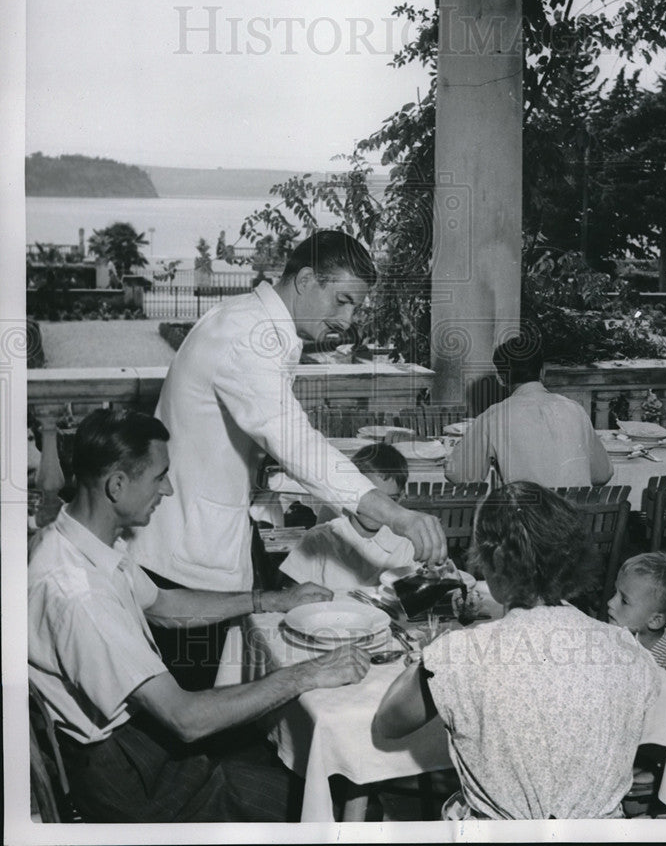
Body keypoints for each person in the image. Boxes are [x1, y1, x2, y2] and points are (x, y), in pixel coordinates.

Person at [127, 230, 446, 685]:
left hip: (199, 540)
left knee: (225, 683)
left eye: (355, 305)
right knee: (191, 712)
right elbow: (296, 442)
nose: (348, 319)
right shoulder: (251, 337)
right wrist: (395, 514)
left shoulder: (248, 320)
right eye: (342, 300)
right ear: (306, 279)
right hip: (184, 556)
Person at [28, 408, 370, 823]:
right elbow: (185, 719)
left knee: (287, 756)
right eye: (160, 476)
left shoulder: (76, 540)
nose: (168, 489)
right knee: (328, 804)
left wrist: (269, 600)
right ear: (117, 485)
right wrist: (308, 674)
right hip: (131, 776)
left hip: (135, 745)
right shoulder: (79, 594)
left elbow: (166, 606)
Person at [373, 482, 665, 820]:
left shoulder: (459, 655)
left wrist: (432, 656)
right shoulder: (630, 651)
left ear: (494, 561)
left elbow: (388, 723)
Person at [446, 331, 612, 488]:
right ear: (542, 372)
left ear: (500, 378)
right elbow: (602, 475)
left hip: (527, 516)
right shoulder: (576, 410)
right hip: (577, 515)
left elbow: (460, 476)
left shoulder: (496, 415)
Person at [279, 443, 418, 590]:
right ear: (348, 490)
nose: (377, 511)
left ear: (401, 497)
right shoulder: (317, 540)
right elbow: (292, 594)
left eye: (391, 499)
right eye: (369, 499)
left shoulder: (407, 545)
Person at [607, 552, 666, 705]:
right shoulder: (617, 634)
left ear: (655, 620)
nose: (610, 602)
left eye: (624, 600)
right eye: (614, 593)